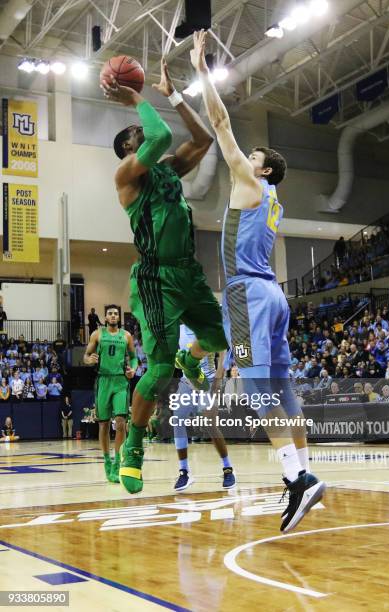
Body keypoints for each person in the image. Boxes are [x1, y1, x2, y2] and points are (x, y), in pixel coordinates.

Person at [191, 30, 325, 533]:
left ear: (263, 169)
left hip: (248, 293)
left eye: (253, 155)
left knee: (254, 388)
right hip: (274, 295)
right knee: (283, 387)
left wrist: (202, 69)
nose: (243, 156)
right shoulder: (274, 201)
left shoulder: (250, 184)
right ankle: (307, 474)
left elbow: (220, 121)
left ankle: (296, 479)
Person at [101, 57, 228, 495]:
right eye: (136, 132)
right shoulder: (127, 176)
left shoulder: (169, 171)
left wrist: (173, 93)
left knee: (219, 340)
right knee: (156, 372)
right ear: (128, 149)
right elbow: (161, 134)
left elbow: (203, 138)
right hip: (155, 279)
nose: (143, 130)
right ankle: (133, 447)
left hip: (189, 273)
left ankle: (190, 357)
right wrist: (137, 96)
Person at [172, 325, 235, 491]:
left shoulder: (206, 323)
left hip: (208, 380)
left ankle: (228, 468)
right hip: (187, 381)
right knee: (177, 420)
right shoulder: (178, 329)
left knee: (210, 425)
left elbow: (222, 349)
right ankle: (184, 471)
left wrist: (219, 376)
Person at [84, 305, 136, 483]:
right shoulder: (97, 334)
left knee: (121, 422)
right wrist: (89, 360)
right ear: (105, 318)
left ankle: (117, 464)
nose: (113, 316)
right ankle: (107, 462)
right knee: (103, 425)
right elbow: (86, 355)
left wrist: (133, 369)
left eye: (116, 314)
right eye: (110, 314)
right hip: (103, 381)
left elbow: (134, 357)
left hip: (121, 382)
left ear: (118, 318)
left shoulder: (126, 335)